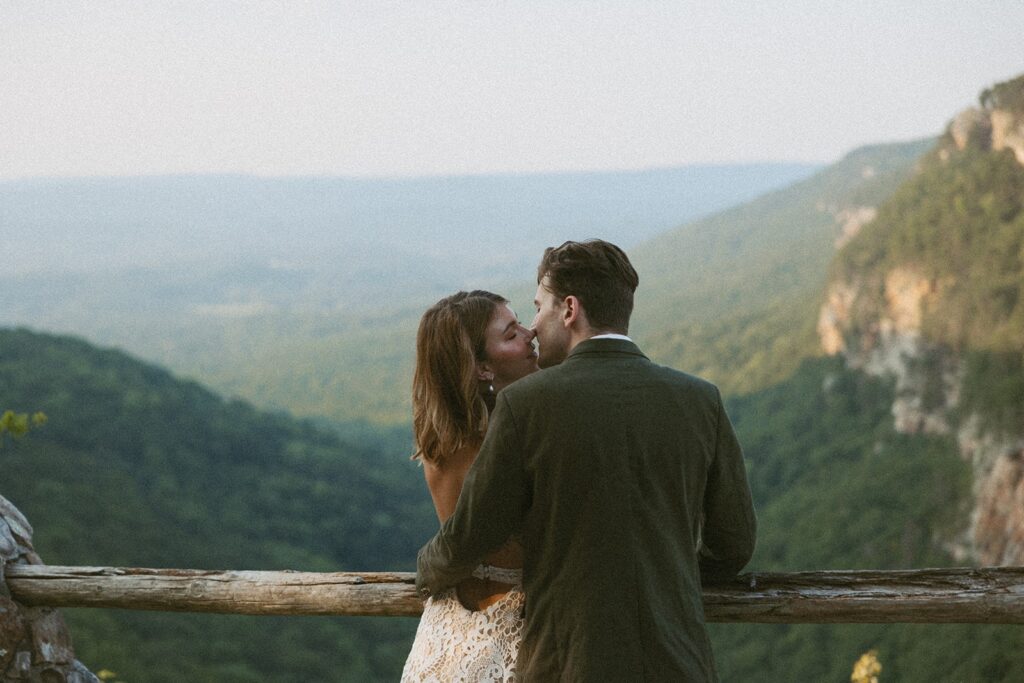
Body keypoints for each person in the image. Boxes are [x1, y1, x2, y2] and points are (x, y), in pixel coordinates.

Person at [416, 240, 757, 681]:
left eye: (538, 309)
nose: (534, 328)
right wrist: (663, 575)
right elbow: (734, 545)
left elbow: (468, 538)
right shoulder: (700, 400)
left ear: (570, 310)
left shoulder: (525, 405)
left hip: (566, 665)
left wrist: (423, 571)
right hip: (680, 662)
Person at [402, 290, 540, 682]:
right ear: (482, 368)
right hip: (511, 636)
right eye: (511, 334)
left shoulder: (439, 444)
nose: (530, 333)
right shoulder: (510, 442)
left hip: (444, 634)